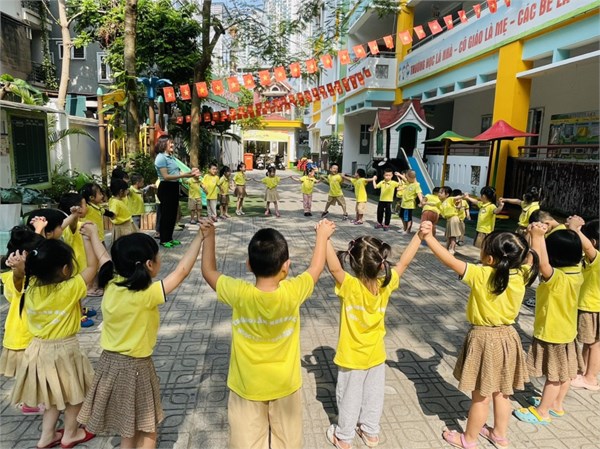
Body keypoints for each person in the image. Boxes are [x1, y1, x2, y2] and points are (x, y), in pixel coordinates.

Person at [200, 219, 336, 449]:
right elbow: (315, 268)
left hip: (246, 387)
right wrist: (322, 236)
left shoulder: (239, 294)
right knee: (288, 443)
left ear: (248, 265)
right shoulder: (293, 292)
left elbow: (209, 271)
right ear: (286, 266)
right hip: (285, 386)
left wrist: (209, 235)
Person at [77, 227, 206, 449]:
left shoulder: (111, 283)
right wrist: (200, 237)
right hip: (136, 368)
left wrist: (92, 234)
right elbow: (182, 271)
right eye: (158, 257)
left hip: (108, 365)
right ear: (149, 264)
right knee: (147, 426)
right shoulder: (147, 294)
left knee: (127, 424)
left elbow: (104, 257)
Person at [420, 224, 538, 448]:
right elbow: (530, 257)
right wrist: (534, 236)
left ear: (490, 259)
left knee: (480, 397)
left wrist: (429, 237)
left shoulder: (481, 274)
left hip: (484, 339)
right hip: (509, 338)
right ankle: (499, 435)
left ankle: (469, 439)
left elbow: (449, 260)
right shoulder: (521, 274)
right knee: (502, 393)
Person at [325, 224, 430, 449]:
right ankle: (371, 432)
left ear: (353, 264)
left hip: (352, 356)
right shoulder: (385, 285)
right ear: (381, 265)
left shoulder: (350, 286)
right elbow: (404, 263)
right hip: (376, 355)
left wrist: (324, 238)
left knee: (349, 396)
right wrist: (419, 236)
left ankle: (344, 436)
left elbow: (333, 268)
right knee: (373, 394)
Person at [10, 224, 101, 449]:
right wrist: (89, 238)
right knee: (74, 396)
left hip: (37, 350)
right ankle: (71, 434)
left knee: (51, 397)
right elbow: (93, 266)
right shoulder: (69, 289)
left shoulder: (30, 287)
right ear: (66, 269)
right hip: (64, 351)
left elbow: (28, 271)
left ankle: (47, 436)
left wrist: (20, 269)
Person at [514, 224, 583, 425]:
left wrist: (537, 237)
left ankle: (542, 411)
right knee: (564, 372)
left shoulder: (557, 278)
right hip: (567, 332)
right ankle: (556, 405)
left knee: (553, 377)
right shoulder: (577, 271)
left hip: (553, 334)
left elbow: (543, 264)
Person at [0, 227, 45, 415]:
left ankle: (36, 398)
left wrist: (38, 231)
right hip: (24, 334)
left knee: (35, 371)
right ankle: (30, 403)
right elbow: (19, 282)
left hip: (29, 332)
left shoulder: (31, 273)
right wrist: (19, 270)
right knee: (29, 372)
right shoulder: (14, 277)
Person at [570, 218, 600, 391]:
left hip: (591, 308)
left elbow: (588, 248)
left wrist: (575, 230)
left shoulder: (597, 258)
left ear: (593, 242)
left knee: (593, 344)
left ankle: (590, 377)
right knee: (591, 343)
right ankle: (583, 372)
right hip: (593, 306)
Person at [154, 135, 198, 248]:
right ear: (163, 144)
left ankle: (169, 238)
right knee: (166, 214)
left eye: (173, 143)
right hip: (166, 187)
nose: (173, 145)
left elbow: (177, 173)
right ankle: (164, 240)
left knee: (173, 214)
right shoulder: (161, 158)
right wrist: (185, 175)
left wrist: (190, 173)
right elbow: (166, 176)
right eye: (170, 143)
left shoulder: (171, 157)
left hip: (174, 186)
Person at [109, 179, 138, 243]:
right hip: (122, 228)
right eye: (126, 190)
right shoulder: (115, 202)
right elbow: (113, 215)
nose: (127, 191)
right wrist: (105, 212)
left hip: (127, 225)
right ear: (121, 191)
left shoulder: (121, 199)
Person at [398, 170, 423, 234]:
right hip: (403, 204)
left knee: (408, 218)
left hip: (409, 205)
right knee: (401, 216)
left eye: (407, 178)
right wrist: (399, 175)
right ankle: (404, 228)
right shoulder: (409, 183)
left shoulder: (416, 185)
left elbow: (419, 194)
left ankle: (408, 230)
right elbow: (404, 179)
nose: (406, 179)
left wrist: (421, 202)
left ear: (411, 178)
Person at [438, 187, 461, 254]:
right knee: (448, 235)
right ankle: (446, 248)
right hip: (449, 219)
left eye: (441, 192)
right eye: (439, 192)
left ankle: (452, 249)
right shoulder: (441, 203)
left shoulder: (449, 199)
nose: (439, 194)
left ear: (447, 194)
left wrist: (463, 196)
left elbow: (456, 198)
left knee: (452, 235)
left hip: (453, 218)